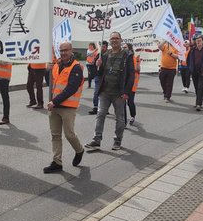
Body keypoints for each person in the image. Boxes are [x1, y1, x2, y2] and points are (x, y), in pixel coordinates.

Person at [84, 31, 134, 151]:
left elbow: (131, 75)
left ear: (120, 40)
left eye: (116, 38)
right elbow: (98, 73)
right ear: (110, 41)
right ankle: (96, 140)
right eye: (112, 39)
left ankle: (117, 141)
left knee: (119, 118)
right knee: (100, 115)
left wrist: (126, 92)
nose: (114, 40)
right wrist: (97, 65)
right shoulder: (105, 54)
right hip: (105, 92)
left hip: (119, 93)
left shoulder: (127, 55)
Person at [43, 41, 85, 173]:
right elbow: (51, 82)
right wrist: (47, 70)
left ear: (71, 51)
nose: (63, 53)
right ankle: (57, 162)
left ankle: (79, 150)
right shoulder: (56, 65)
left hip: (68, 107)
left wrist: (54, 101)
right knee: (55, 135)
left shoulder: (76, 67)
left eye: (66, 50)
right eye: (61, 50)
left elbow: (71, 88)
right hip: (54, 106)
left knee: (69, 134)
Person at [187, 35, 203, 111]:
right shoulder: (192, 50)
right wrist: (190, 69)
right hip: (194, 72)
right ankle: (198, 102)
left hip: (202, 72)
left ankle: (198, 104)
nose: (198, 42)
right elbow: (188, 60)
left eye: (200, 40)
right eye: (197, 40)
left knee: (200, 88)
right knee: (196, 87)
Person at [88, 40, 108, 115]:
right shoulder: (98, 55)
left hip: (105, 77)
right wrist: (96, 65)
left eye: (104, 47)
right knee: (96, 92)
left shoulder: (108, 55)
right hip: (98, 76)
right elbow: (94, 66)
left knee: (105, 94)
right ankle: (95, 108)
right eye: (101, 46)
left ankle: (104, 108)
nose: (102, 48)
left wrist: (102, 64)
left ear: (106, 47)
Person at [125, 42, 140, 125]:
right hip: (123, 83)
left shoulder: (134, 58)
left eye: (125, 47)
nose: (123, 49)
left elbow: (137, 69)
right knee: (121, 103)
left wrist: (137, 61)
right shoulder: (122, 57)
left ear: (130, 49)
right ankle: (123, 120)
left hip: (132, 83)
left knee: (130, 102)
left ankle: (132, 116)